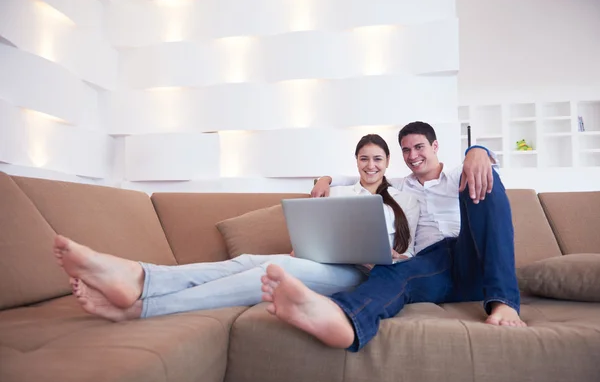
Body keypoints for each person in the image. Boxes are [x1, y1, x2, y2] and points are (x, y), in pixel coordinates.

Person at [54, 134, 419, 322]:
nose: (370, 165)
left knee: (275, 270)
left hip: (363, 274)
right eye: (363, 158)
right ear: (355, 161)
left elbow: (412, 254)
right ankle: (142, 278)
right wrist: (309, 243)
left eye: (377, 159)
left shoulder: (405, 198)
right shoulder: (337, 191)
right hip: (324, 263)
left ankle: (141, 306)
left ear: (387, 164)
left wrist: (393, 257)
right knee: (247, 260)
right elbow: (318, 230)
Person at [260, 121, 526, 352]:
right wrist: (325, 178)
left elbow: (483, 165)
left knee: (483, 179)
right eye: (406, 150)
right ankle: (344, 318)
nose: (412, 155)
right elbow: (364, 174)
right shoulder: (402, 185)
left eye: (419, 147)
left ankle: (504, 302)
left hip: (471, 256)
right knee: (392, 270)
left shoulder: (460, 173)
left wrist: (477, 151)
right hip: (433, 269)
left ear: (435, 147)